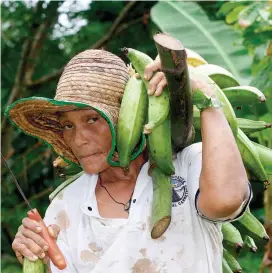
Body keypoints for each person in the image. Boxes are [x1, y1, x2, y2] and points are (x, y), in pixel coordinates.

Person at [8, 49, 252, 273]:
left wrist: (206, 97)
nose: (78, 139)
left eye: (92, 119)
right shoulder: (65, 205)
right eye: (68, 125)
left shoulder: (188, 166)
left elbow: (226, 201)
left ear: (126, 115)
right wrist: (41, 258)